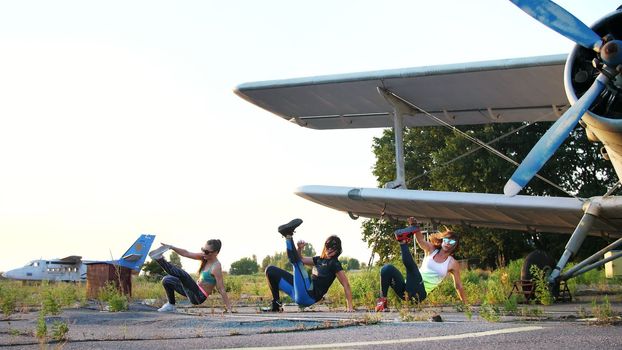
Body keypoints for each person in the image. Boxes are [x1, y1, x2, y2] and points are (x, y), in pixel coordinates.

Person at [376, 217, 466, 315]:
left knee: (413, 270)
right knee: (387, 269)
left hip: (419, 294)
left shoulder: (452, 263)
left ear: (455, 246)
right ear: (442, 240)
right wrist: (415, 226)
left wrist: (465, 304)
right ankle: (382, 302)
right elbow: (421, 240)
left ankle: (403, 242)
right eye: (446, 239)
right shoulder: (431, 249)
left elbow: (458, 285)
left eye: (451, 242)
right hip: (406, 290)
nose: (447, 243)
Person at [264, 218, 354, 312]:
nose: (329, 250)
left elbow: (346, 285)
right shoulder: (319, 259)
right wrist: (299, 249)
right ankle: (276, 304)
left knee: (297, 264)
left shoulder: (334, 264)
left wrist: (350, 307)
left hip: (309, 296)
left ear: (338, 250)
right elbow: (301, 259)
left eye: (333, 247)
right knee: (270, 271)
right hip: (297, 293)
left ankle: (288, 235)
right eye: (327, 246)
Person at [148, 239, 232, 313]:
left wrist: (229, 308)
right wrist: (171, 247)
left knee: (183, 275)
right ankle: (171, 305)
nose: (204, 253)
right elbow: (186, 253)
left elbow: (221, 289)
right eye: (203, 249)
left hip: (198, 296)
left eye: (206, 252)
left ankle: (159, 259)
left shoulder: (216, 266)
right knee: (167, 280)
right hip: (192, 291)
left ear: (216, 253)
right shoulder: (204, 257)